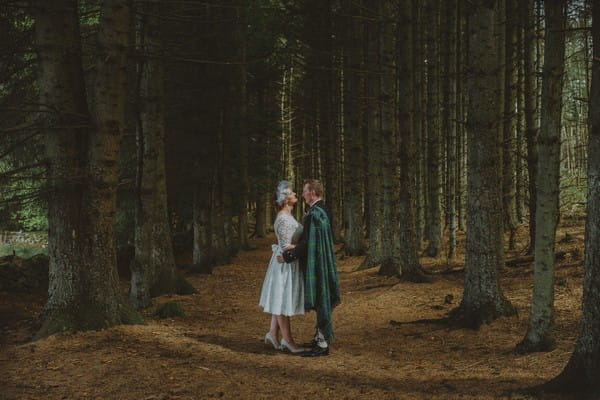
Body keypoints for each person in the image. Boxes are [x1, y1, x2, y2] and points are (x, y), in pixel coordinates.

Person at [278, 179, 340, 357]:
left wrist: (288, 256)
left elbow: (307, 244)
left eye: (305, 191)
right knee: (322, 299)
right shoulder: (321, 210)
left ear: (312, 193)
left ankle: (322, 344)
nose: (303, 194)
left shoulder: (315, 214)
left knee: (321, 300)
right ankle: (319, 337)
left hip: (318, 263)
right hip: (323, 261)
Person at [258, 180, 305, 354]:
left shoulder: (287, 216)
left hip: (287, 263)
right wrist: (304, 247)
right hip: (284, 265)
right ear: (286, 199)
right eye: (292, 193)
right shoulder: (284, 219)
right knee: (282, 301)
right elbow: (286, 247)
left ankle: (272, 334)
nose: (295, 195)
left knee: (281, 299)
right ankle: (288, 340)